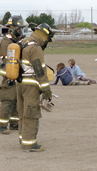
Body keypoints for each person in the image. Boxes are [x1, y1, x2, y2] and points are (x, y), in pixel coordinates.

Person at [16, 23, 54, 152]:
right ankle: (29, 143)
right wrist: (47, 90)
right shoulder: (35, 48)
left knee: (21, 112)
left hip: (19, 83)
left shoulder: (23, 42)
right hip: (31, 85)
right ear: (44, 36)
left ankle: (23, 138)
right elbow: (39, 70)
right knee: (31, 113)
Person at [0, 15, 28, 134]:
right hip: (9, 77)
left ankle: (14, 123)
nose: (20, 31)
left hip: (17, 75)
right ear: (12, 29)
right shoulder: (6, 42)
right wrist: (9, 75)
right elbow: (3, 62)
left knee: (16, 100)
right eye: (18, 29)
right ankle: (2, 125)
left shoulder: (15, 42)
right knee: (7, 100)